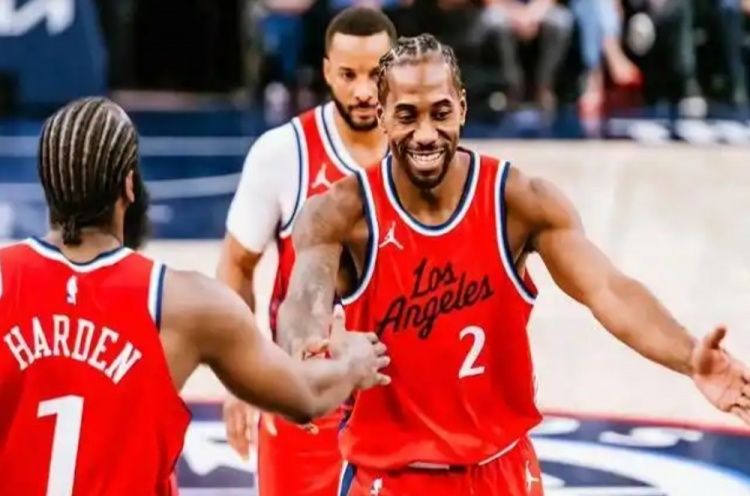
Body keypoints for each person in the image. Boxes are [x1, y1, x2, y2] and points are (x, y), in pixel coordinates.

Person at [276, 34, 750, 496]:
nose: (425, 133)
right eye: (407, 115)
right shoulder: (340, 213)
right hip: (392, 477)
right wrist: (311, 355)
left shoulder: (518, 201)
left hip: (501, 471)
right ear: (381, 115)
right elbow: (302, 306)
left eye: (440, 113)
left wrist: (689, 356)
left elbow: (609, 290)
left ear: (462, 107)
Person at [0, 97, 390, 496]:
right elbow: (305, 396)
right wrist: (353, 363)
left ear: (46, 186)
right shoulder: (186, 303)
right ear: (129, 186)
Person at [218, 7, 396, 496]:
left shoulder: (420, 152)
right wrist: (240, 377)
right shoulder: (282, 152)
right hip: (305, 392)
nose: (363, 91)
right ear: (326, 72)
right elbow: (236, 264)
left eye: (376, 74)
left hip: (396, 393)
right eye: (349, 75)